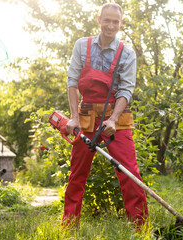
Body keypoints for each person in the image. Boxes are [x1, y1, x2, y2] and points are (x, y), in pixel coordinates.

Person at [63, 3, 148, 228]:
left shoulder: (127, 53)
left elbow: (126, 90)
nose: (111, 25)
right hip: (86, 115)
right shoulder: (82, 46)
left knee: (129, 172)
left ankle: (140, 227)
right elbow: (72, 82)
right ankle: (68, 226)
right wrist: (73, 117)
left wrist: (112, 119)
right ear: (99, 19)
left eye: (116, 22)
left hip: (116, 117)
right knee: (77, 173)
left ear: (121, 24)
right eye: (107, 20)